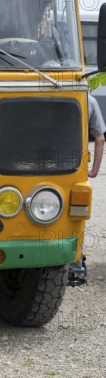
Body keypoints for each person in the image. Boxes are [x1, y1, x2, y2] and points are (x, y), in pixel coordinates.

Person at [68, 93, 105, 286]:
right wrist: (94, 170)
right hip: (73, 169)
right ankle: (75, 270)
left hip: (33, 167)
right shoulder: (87, 100)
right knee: (75, 217)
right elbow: (100, 139)